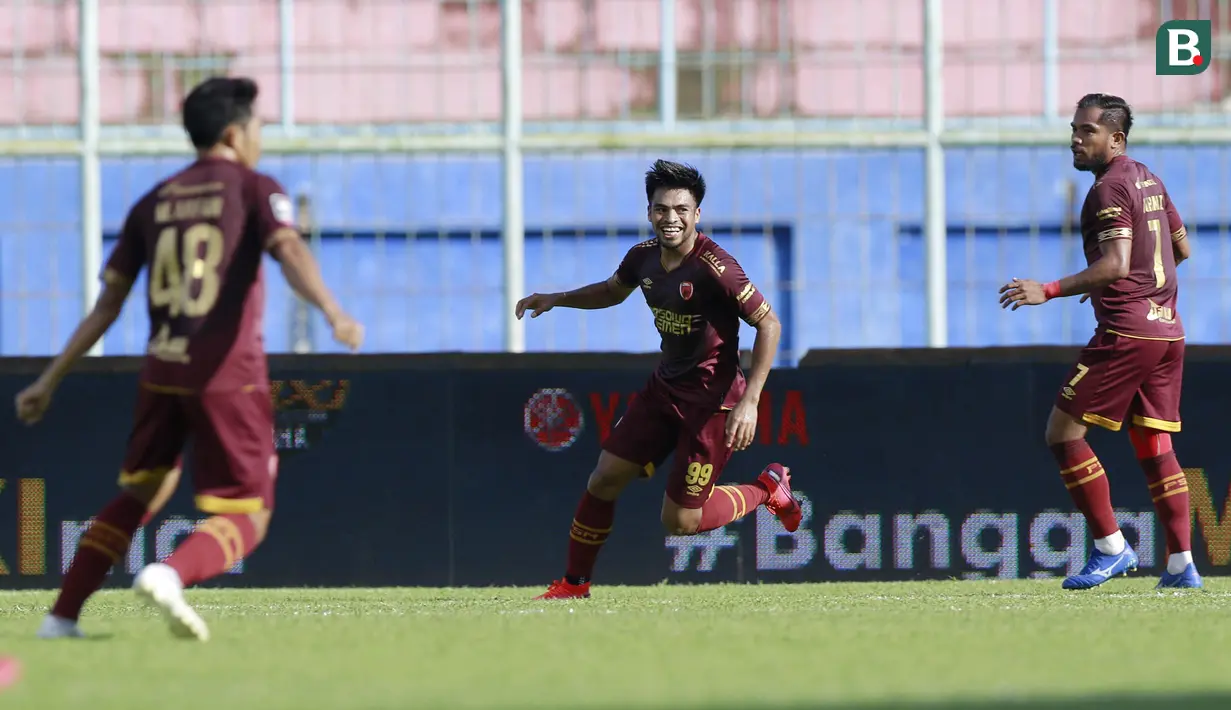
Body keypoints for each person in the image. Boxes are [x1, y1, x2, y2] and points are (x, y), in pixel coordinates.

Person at [19, 76, 364, 641]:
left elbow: (107, 305)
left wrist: (49, 380)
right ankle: (170, 574)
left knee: (140, 493)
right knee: (250, 514)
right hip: (226, 373)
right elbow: (290, 249)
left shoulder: (152, 202)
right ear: (234, 132)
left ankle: (61, 617)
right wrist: (333, 311)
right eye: (256, 127)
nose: (260, 138)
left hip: (160, 370)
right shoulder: (255, 188)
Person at [515, 159, 801, 600]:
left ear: (697, 214)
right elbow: (613, 291)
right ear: (650, 212)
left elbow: (769, 325)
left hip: (712, 403)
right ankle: (574, 585)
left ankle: (767, 489)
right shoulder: (643, 258)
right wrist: (558, 299)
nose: (671, 218)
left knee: (681, 522)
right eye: (662, 209)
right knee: (604, 478)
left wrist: (752, 401)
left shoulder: (717, 267)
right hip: (664, 389)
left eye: (681, 210)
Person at [999, 93, 1199, 590]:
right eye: (1074, 129)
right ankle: (1182, 566)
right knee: (1154, 442)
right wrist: (1132, 289)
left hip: (1128, 332)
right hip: (1168, 329)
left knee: (1062, 434)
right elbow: (1182, 247)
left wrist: (1048, 290)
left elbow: (1115, 264)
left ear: (1117, 139)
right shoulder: (1148, 177)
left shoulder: (1108, 188)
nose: (1076, 138)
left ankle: (1112, 547)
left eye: (1087, 131)